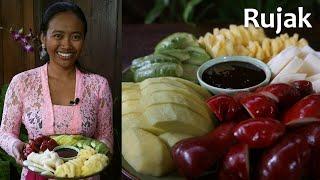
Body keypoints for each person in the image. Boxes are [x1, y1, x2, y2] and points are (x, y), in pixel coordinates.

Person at [0, 2, 113, 179]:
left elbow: (106, 137)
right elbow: (5, 133)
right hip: (36, 174)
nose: (66, 45)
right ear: (43, 38)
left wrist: (100, 154)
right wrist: (15, 146)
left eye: (76, 37)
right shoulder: (22, 82)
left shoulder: (99, 85)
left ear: (84, 40)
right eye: (58, 36)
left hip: (85, 175)